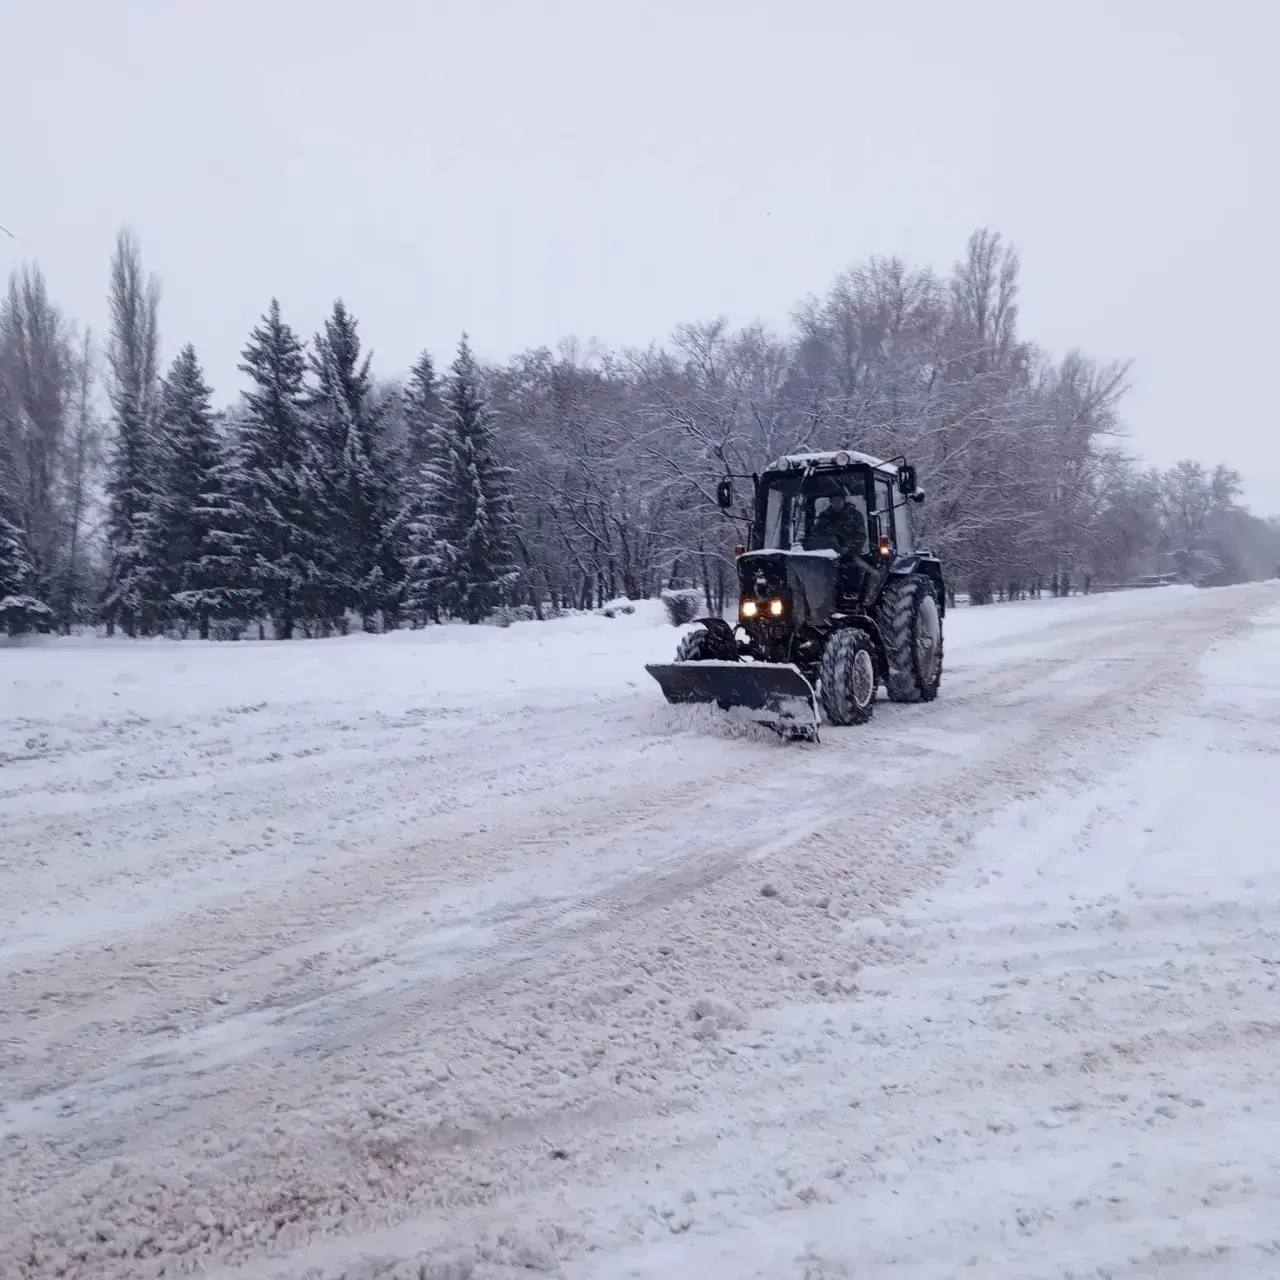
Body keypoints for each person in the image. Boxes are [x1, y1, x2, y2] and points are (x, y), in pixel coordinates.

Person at [811, 489, 867, 556]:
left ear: (843, 501)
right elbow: (816, 533)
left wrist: (848, 547)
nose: (836, 503)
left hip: (851, 554)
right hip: (828, 554)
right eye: (834, 501)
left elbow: (860, 536)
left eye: (839, 501)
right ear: (831, 502)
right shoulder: (824, 516)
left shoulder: (855, 515)